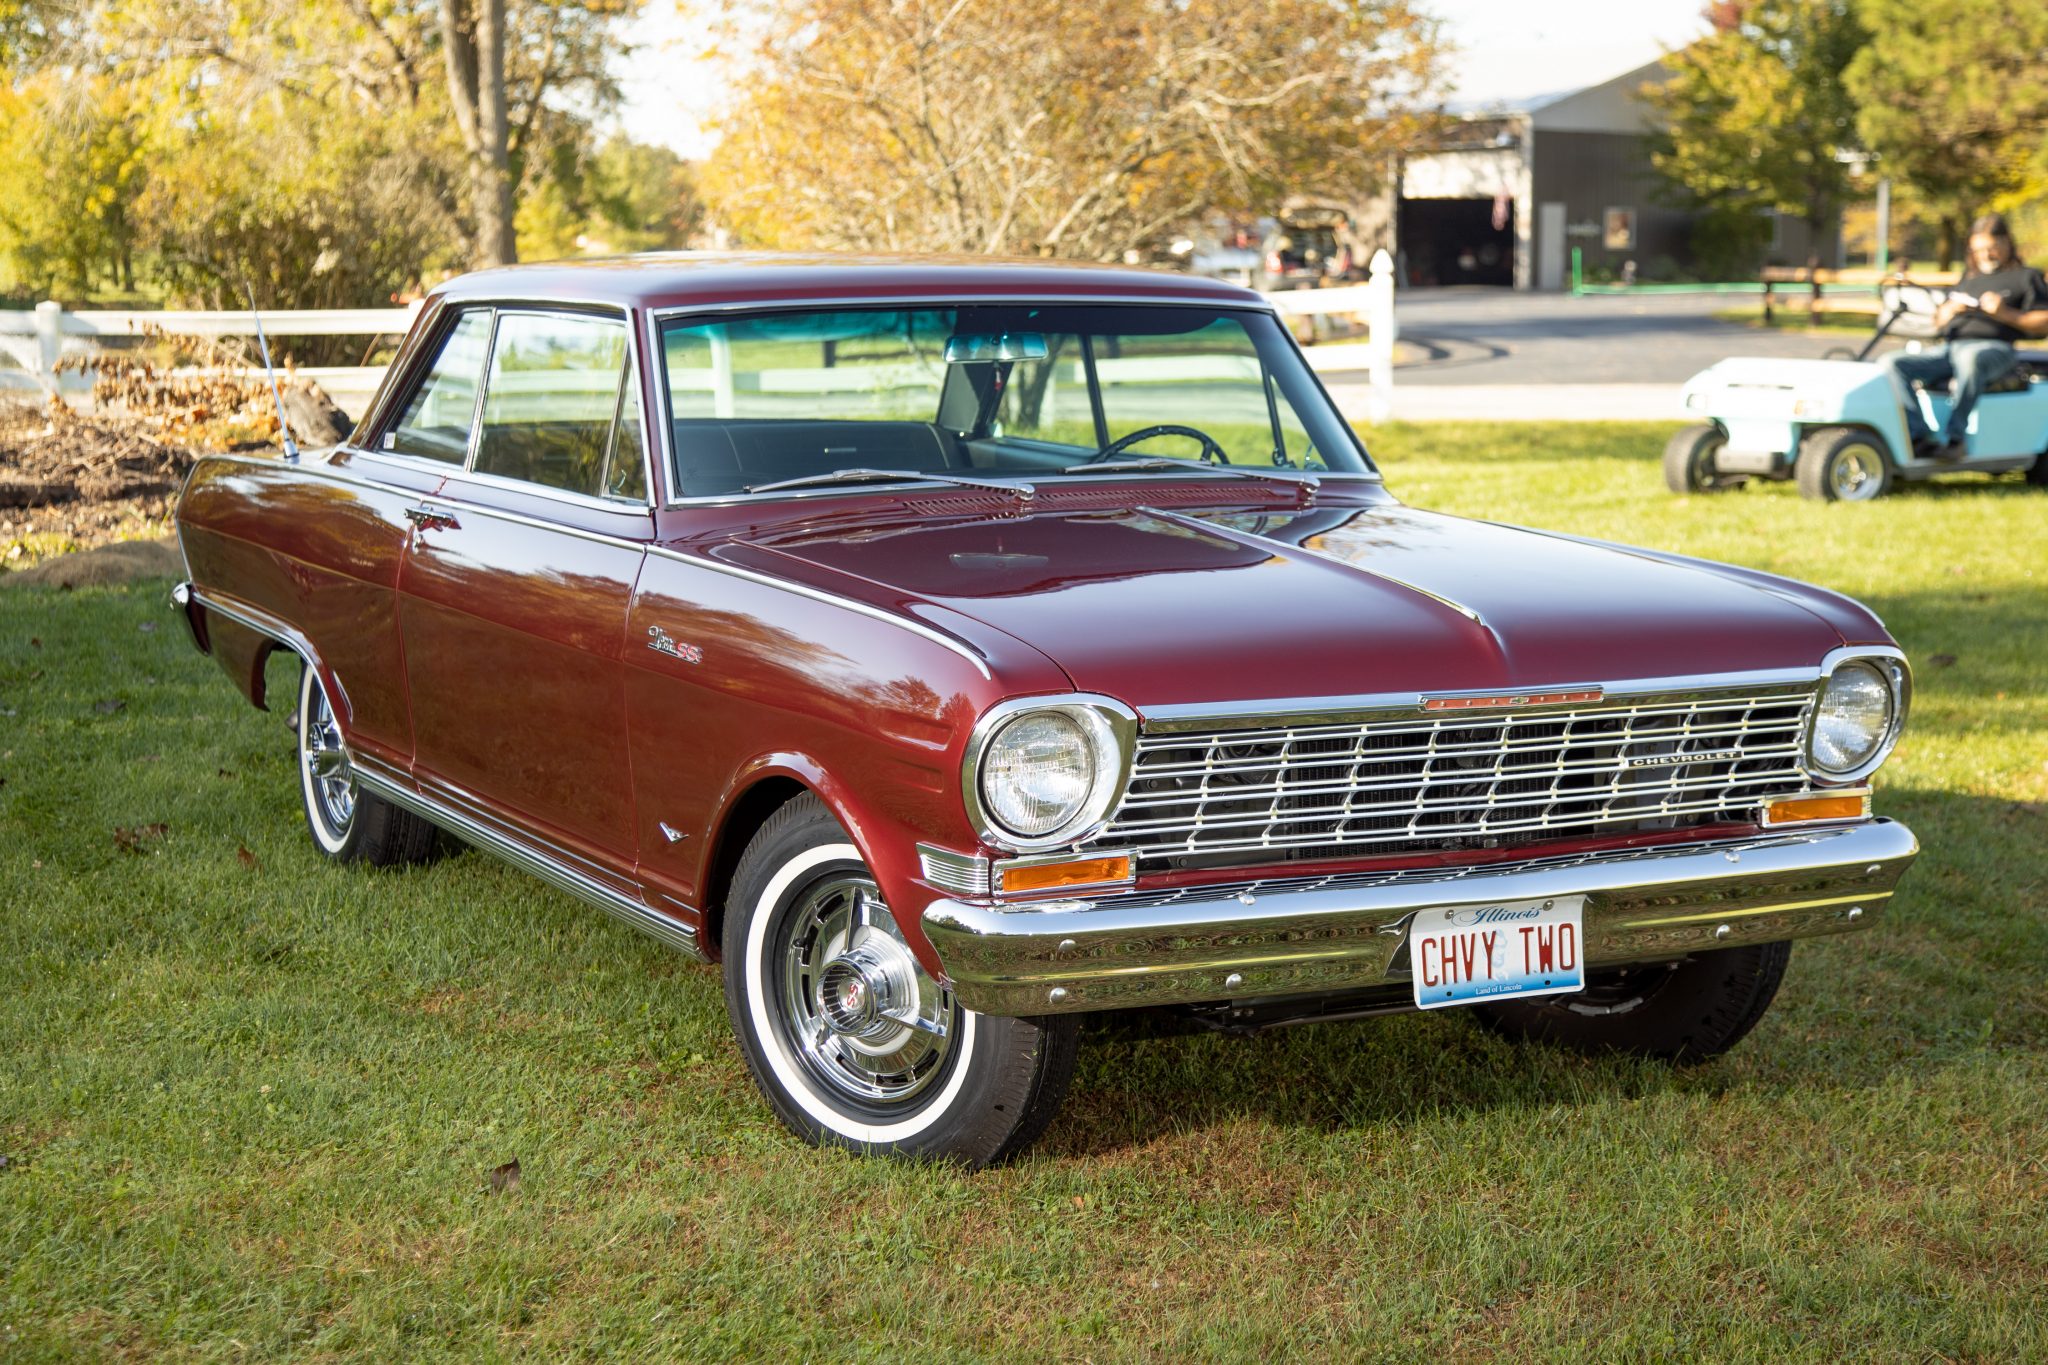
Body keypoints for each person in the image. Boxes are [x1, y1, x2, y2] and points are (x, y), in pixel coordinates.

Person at [1881, 213, 2048, 459]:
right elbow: (1937, 321)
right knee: (1892, 364)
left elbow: (2043, 322)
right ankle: (1919, 438)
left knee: (1970, 358)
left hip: (1995, 349)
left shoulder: (2027, 277)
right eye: (1978, 250)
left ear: (2007, 243)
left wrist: (2004, 313)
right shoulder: (1968, 278)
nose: (1985, 256)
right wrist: (1946, 311)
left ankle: (1954, 438)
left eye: (1991, 249)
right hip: (1950, 348)